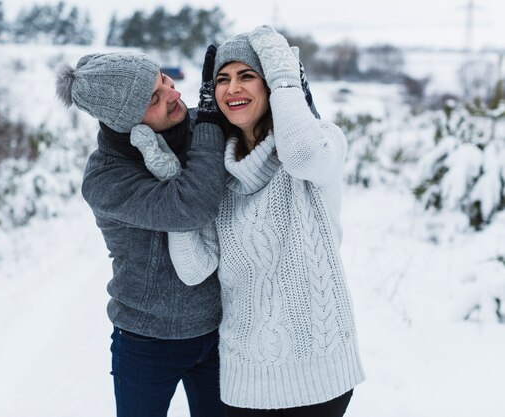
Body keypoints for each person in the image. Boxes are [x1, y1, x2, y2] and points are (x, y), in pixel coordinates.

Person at [136, 27, 365, 417]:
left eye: (247, 75)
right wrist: (173, 179)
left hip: (320, 373)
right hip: (247, 380)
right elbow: (194, 268)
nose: (231, 88)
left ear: (273, 82)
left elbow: (301, 154)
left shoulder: (323, 143)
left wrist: (284, 72)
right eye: (222, 79)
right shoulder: (215, 178)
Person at [55, 49, 227, 417]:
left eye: (165, 79)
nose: (175, 94)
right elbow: (191, 206)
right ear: (124, 120)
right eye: (154, 98)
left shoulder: (202, 126)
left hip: (220, 330)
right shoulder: (105, 179)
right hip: (146, 343)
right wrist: (212, 127)